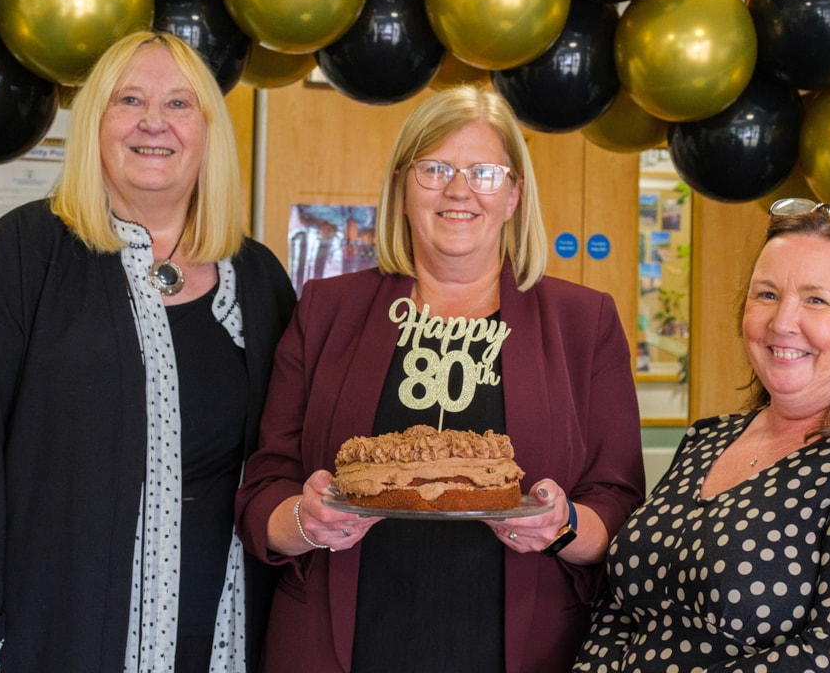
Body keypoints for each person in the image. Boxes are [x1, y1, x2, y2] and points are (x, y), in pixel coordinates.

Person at [0, 31, 296, 672]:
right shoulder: (22, 257)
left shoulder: (260, 280)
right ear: (95, 124)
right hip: (52, 629)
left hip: (220, 634)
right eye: (128, 99)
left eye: (180, 105)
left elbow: (285, 457)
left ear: (210, 131)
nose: (153, 122)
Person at [235, 85, 646, 672]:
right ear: (404, 188)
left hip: (524, 650)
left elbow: (620, 501)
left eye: (483, 171)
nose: (459, 189)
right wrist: (304, 521)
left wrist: (564, 527)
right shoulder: (327, 308)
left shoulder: (585, 322)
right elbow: (266, 481)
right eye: (435, 169)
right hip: (339, 641)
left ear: (513, 196)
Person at [573, 197, 830, 673]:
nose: (782, 322)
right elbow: (622, 606)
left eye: (816, 300)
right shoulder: (707, 440)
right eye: (766, 294)